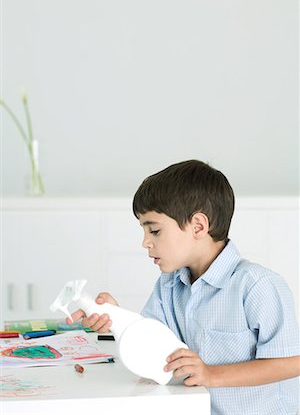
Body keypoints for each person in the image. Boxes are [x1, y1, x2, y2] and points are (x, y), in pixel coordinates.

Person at [70, 160, 300, 415]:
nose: (145, 243)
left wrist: (210, 374)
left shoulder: (257, 286)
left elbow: (292, 363)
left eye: (154, 231)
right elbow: (151, 340)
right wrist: (114, 318)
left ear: (198, 226)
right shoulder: (169, 286)